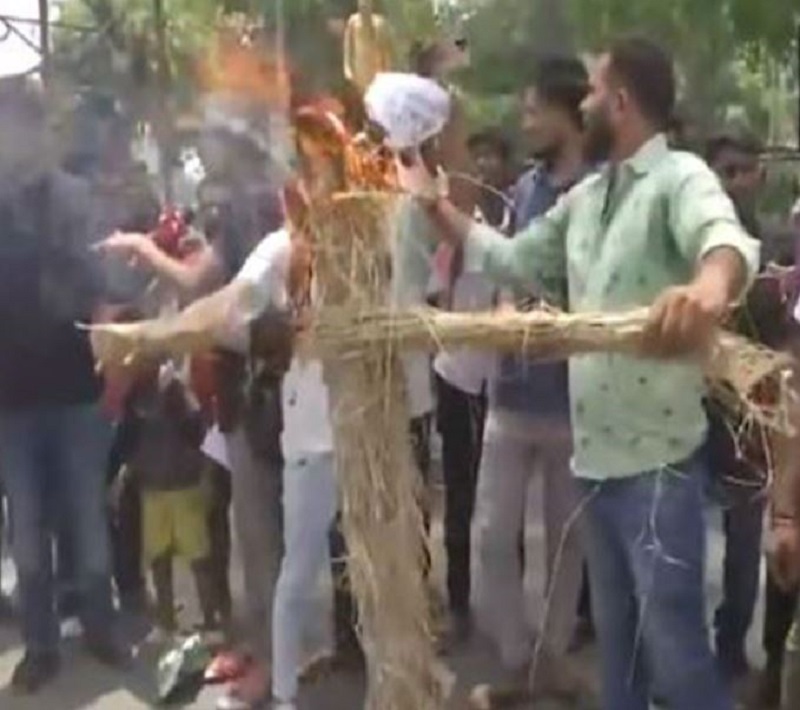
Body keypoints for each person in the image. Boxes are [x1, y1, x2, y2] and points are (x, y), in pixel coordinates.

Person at [407, 37, 759, 710]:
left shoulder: (678, 179)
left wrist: (707, 290)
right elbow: (508, 260)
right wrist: (431, 203)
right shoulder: (585, 198)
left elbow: (724, 240)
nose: (586, 102)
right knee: (620, 660)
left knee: (678, 660)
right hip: (596, 467)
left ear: (620, 103)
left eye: (595, 92)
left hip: (657, 471)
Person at [98, 119, 285, 710]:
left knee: (264, 539)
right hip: (235, 390)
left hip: (262, 391)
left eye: (207, 141)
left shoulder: (255, 207)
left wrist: (144, 252)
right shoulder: (236, 205)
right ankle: (253, 645)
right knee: (246, 532)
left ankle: (275, 663)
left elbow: (203, 287)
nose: (199, 153)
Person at [469, 57, 592, 707]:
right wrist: (505, 314)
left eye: (532, 109)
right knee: (492, 538)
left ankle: (549, 663)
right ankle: (522, 661)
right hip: (511, 399)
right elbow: (505, 278)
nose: (524, 121)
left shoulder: (604, 190)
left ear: (567, 113)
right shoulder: (523, 190)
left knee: (568, 546)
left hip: (575, 403)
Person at [0, 76, 128, 694]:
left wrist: (114, 370)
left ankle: (102, 629)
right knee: (27, 536)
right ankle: (42, 645)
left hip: (79, 391)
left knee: (87, 523)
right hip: (11, 401)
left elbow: (104, 289)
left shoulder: (76, 199)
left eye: (25, 122)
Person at [704, 130, 788, 690]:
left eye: (746, 170)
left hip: (749, 427)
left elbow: (785, 344)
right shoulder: (688, 248)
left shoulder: (777, 251)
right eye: (727, 172)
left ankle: (733, 648)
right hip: (684, 420)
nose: (738, 181)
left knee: (741, 555)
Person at [112, 363, 219, 639]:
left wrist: (176, 393)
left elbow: (198, 432)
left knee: (198, 559)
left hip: (185, 488)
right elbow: (125, 440)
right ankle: (166, 621)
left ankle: (210, 622)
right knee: (159, 558)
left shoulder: (180, 394)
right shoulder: (135, 398)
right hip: (152, 490)